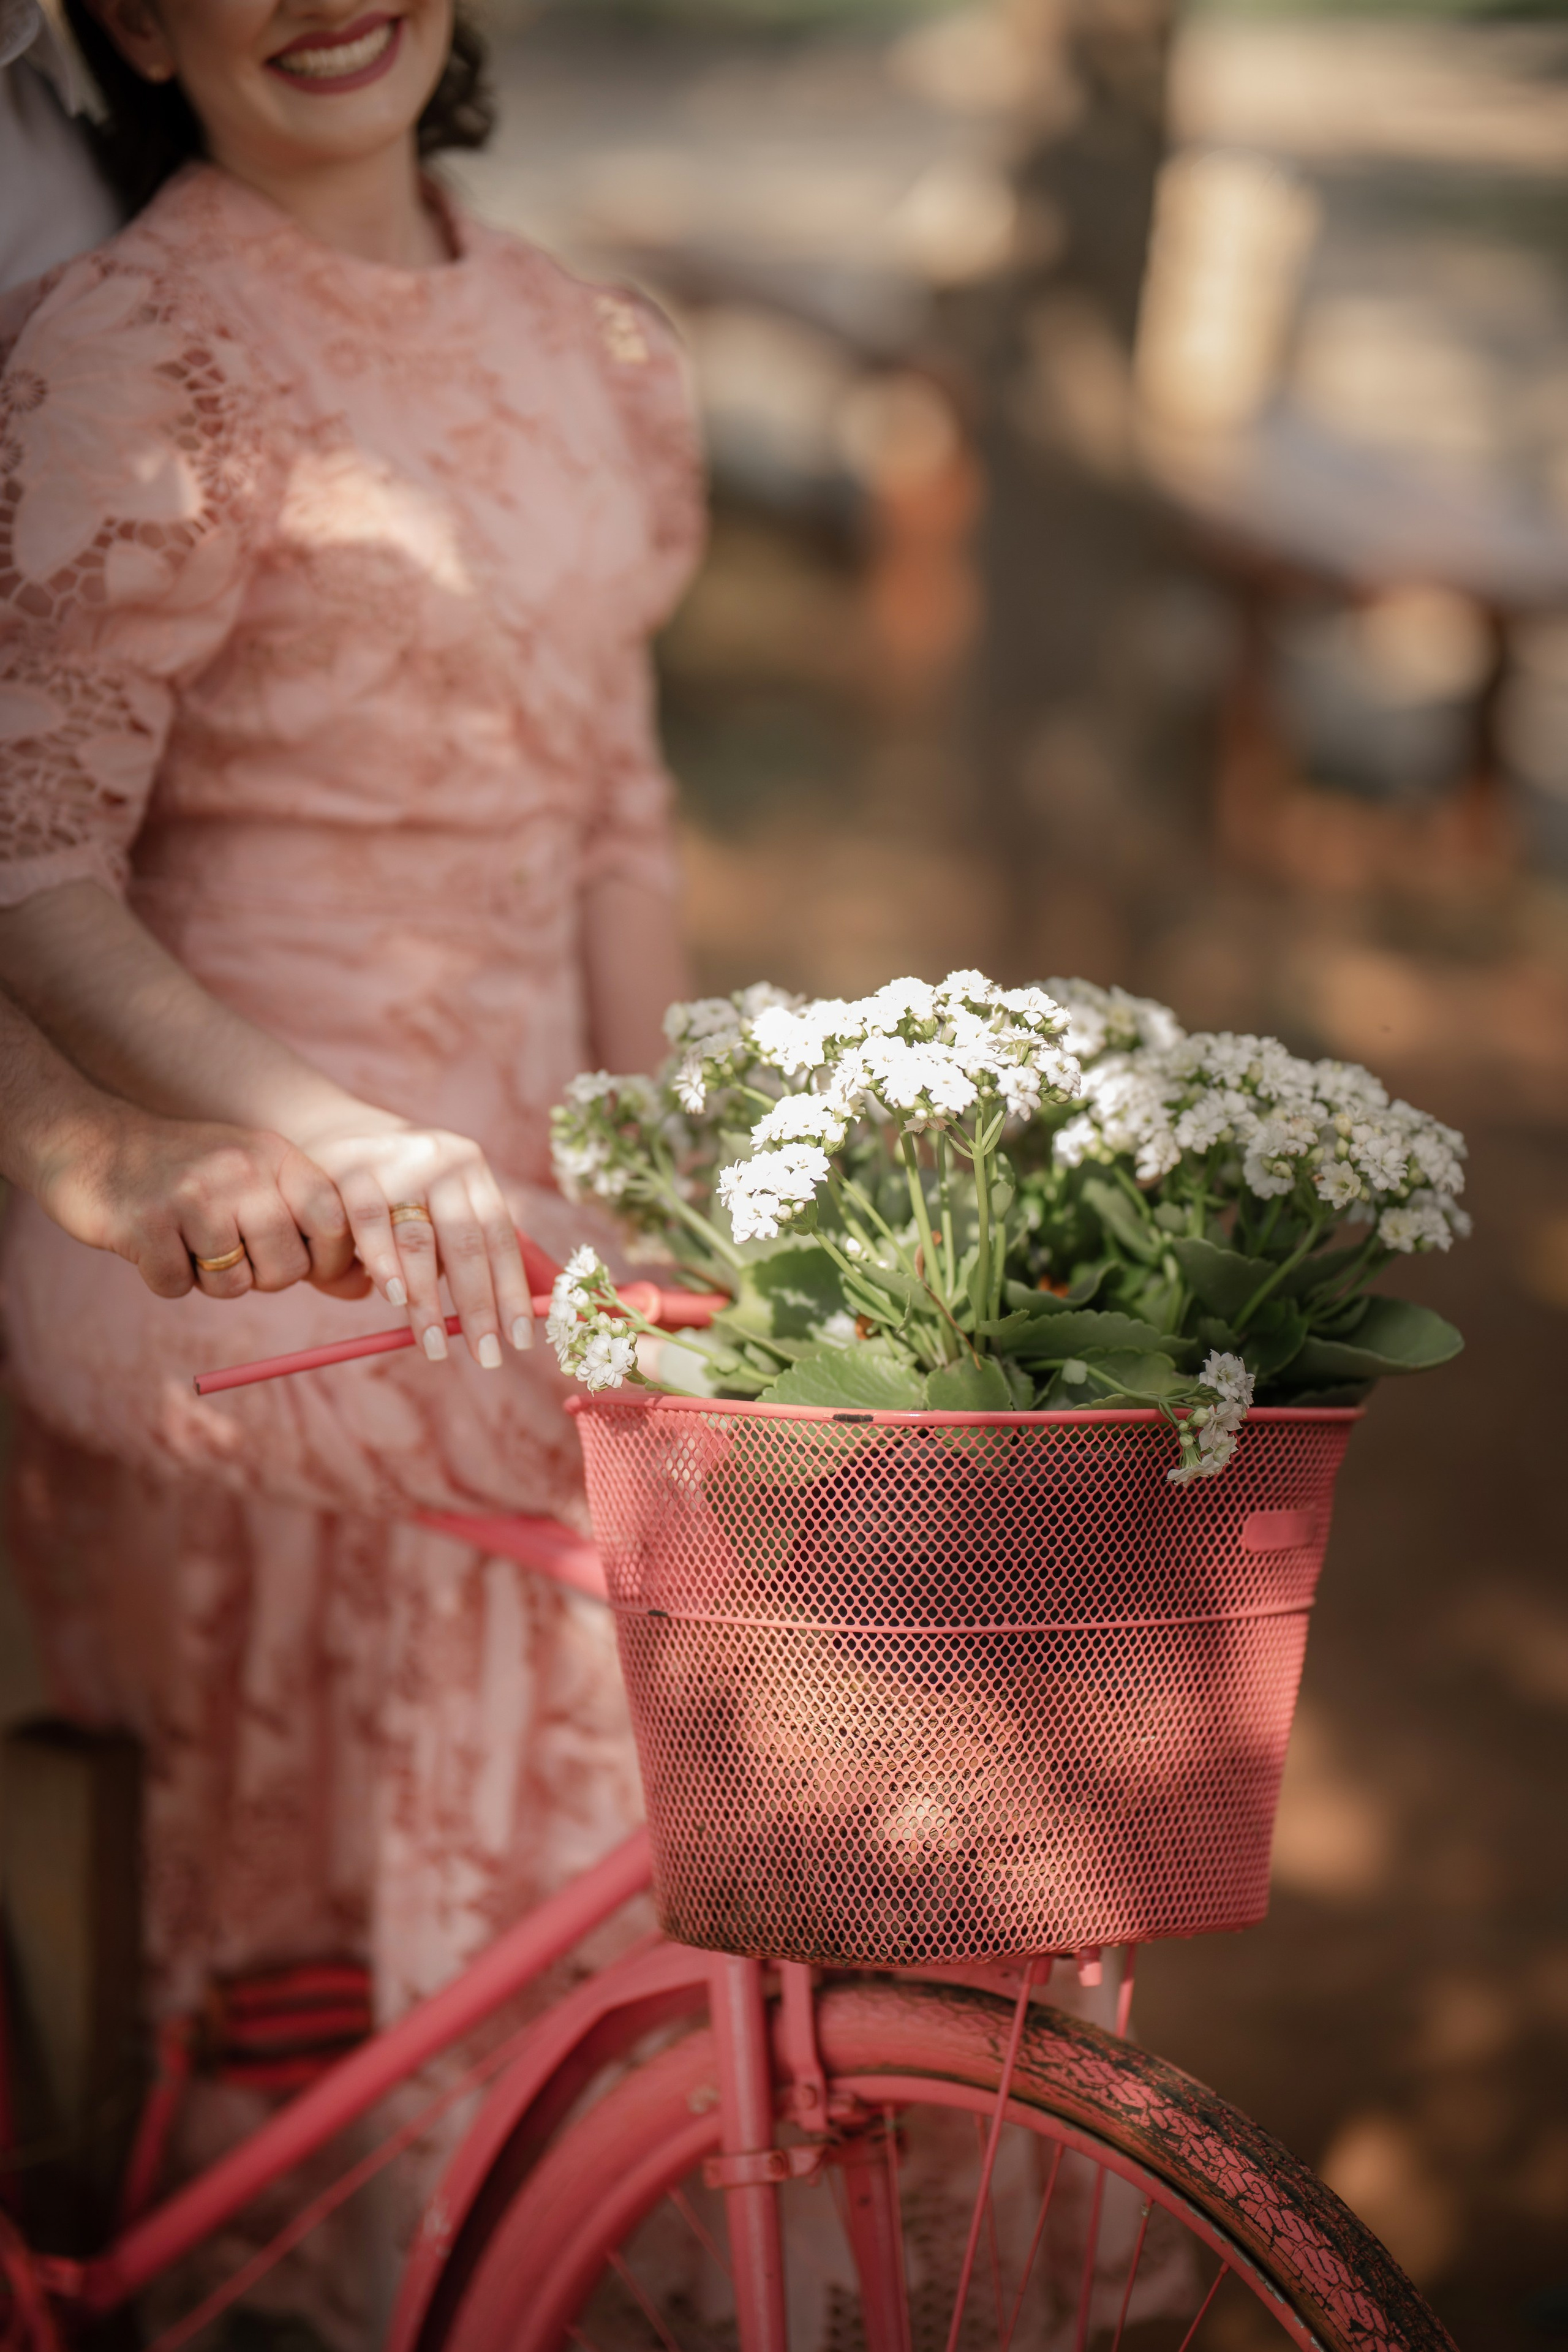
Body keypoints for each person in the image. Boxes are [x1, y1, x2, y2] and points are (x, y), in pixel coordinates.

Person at [0, 2, 701, 2337]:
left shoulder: (601, 344)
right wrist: (318, 1139)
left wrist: (681, 1175)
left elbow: (614, 807)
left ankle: (740, 2141)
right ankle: (482, 2214)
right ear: (126, 21)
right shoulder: (127, 347)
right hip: (230, 1214)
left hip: (538, 1185)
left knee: (820, 1387)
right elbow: (29, 866)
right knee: (659, 1443)